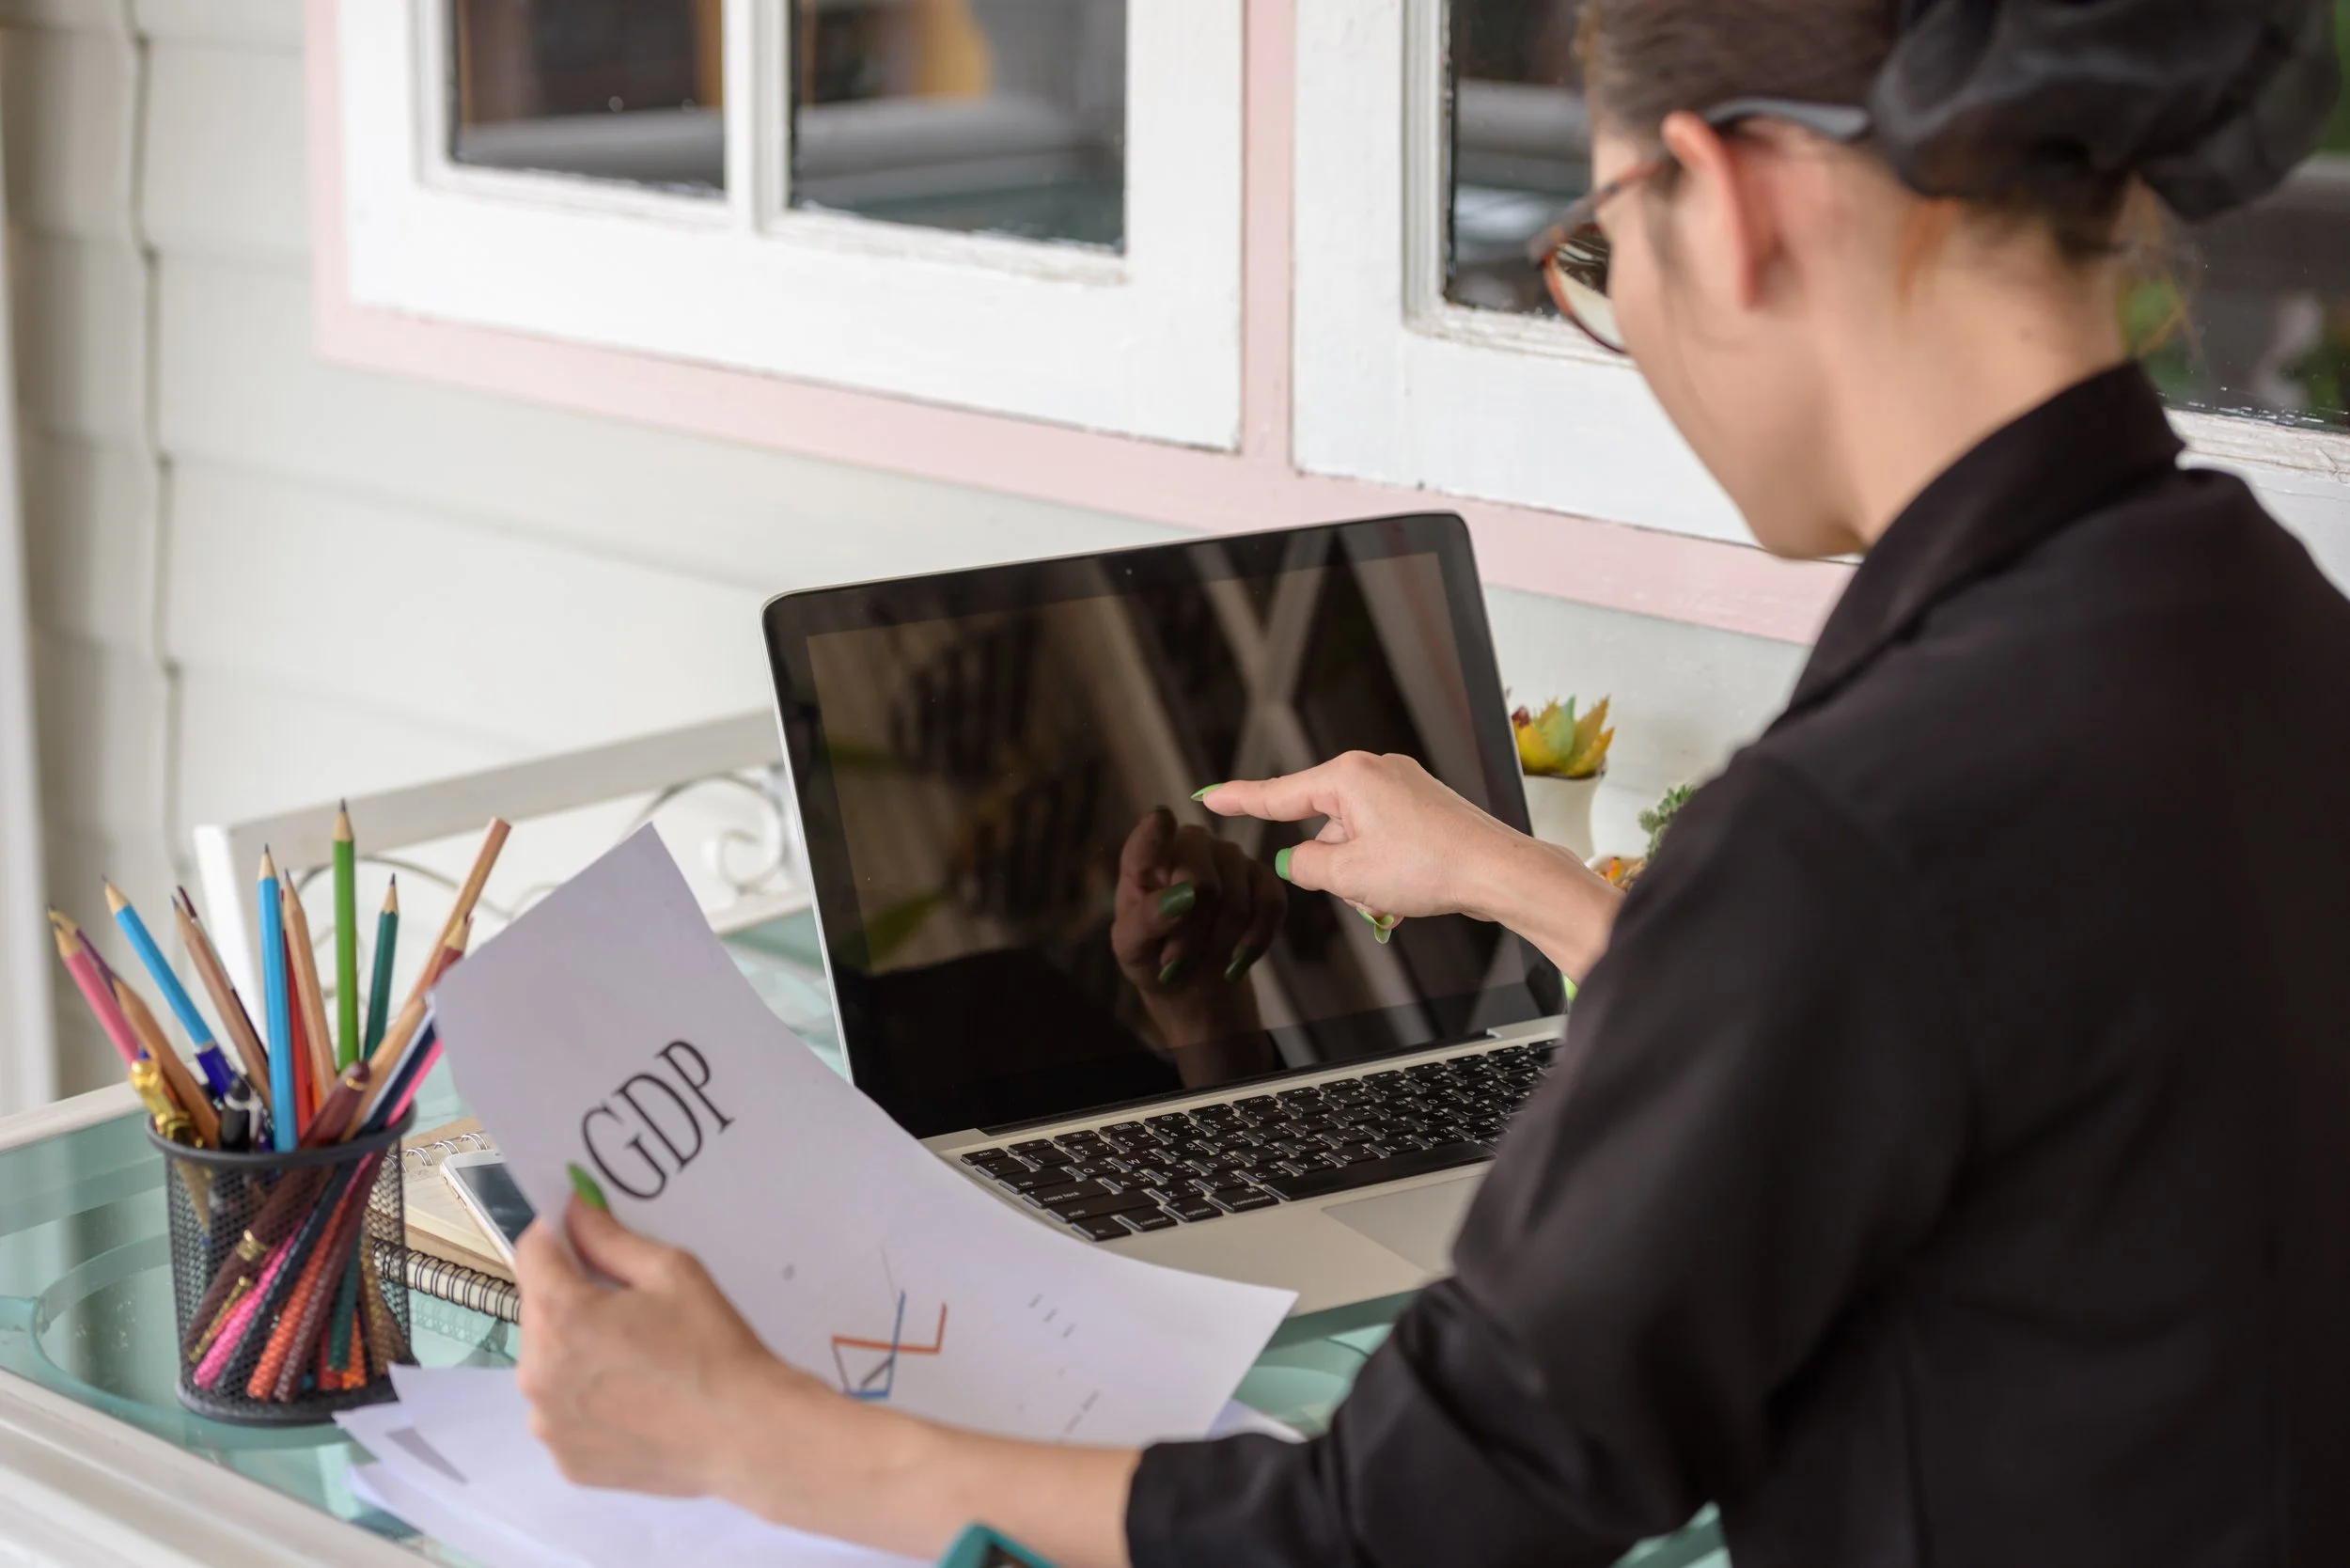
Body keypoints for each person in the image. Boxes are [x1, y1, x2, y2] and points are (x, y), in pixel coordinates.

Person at [509, 1, 2350, 1562]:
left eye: (1593, 256)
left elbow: (1393, 1525)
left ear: (1711, 199)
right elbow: (1959, 1046)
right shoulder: (2246, 620)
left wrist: (756, 1438)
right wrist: (1524, 887)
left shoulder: (1854, 831)